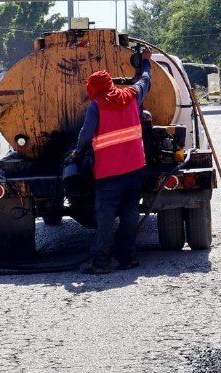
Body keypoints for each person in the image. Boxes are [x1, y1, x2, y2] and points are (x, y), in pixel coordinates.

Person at [73, 48, 153, 274]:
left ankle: (101, 262)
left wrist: (78, 153)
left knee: (106, 216)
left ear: (93, 88)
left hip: (108, 172)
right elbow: (145, 80)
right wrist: (146, 63)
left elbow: (86, 135)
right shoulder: (131, 95)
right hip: (136, 167)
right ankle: (128, 258)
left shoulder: (96, 106)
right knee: (130, 213)